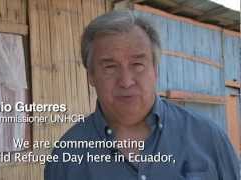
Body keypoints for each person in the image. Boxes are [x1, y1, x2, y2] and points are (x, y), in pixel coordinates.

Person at [44, 10, 240, 180]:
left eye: (137, 65)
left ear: (155, 71)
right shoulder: (66, 156)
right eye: (110, 67)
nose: (126, 81)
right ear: (91, 76)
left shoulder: (209, 139)